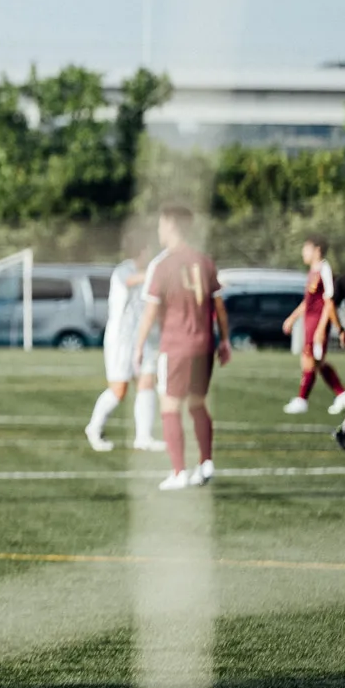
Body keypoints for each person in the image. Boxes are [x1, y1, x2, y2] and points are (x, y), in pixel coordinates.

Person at [132, 204, 231, 491]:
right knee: (197, 403)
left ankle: (179, 472)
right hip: (204, 345)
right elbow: (219, 307)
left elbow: (150, 312)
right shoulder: (205, 262)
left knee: (170, 406)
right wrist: (224, 340)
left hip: (175, 347)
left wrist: (138, 346)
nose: (159, 230)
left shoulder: (162, 265)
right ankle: (206, 462)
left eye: (161, 225)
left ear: (170, 226)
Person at [87, 239, 164, 453]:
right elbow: (130, 281)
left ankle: (143, 437)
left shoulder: (149, 274)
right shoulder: (123, 271)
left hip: (142, 337)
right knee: (119, 390)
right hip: (120, 339)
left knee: (147, 381)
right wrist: (158, 272)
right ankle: (94, 428)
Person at [282, 236, 345, 415]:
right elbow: (308, 301)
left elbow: (329, 301)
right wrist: (293, 318)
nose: (303, 253)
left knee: (310, 358)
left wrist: (321, 328)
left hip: (318, 321)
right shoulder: (313, 271)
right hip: (309, 321)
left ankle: (302, 399)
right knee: (316, 360)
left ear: (317, 250)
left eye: (306, 249)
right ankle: (342, 394)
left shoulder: (325, 270)